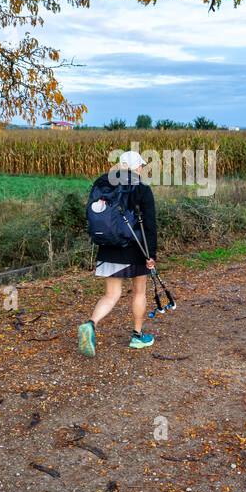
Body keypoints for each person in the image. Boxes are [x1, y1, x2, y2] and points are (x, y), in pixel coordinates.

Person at [77, 151, 157, 355]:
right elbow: (149, 225)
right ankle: (137, 336)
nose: (141, 169)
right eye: (140, 166)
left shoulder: (103, 184)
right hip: (135, 247)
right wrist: (151, 254)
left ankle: (91, 324)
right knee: (139, 291)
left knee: (111, 294)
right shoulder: (142, 189)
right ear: (136, 167)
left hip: (108, 246)